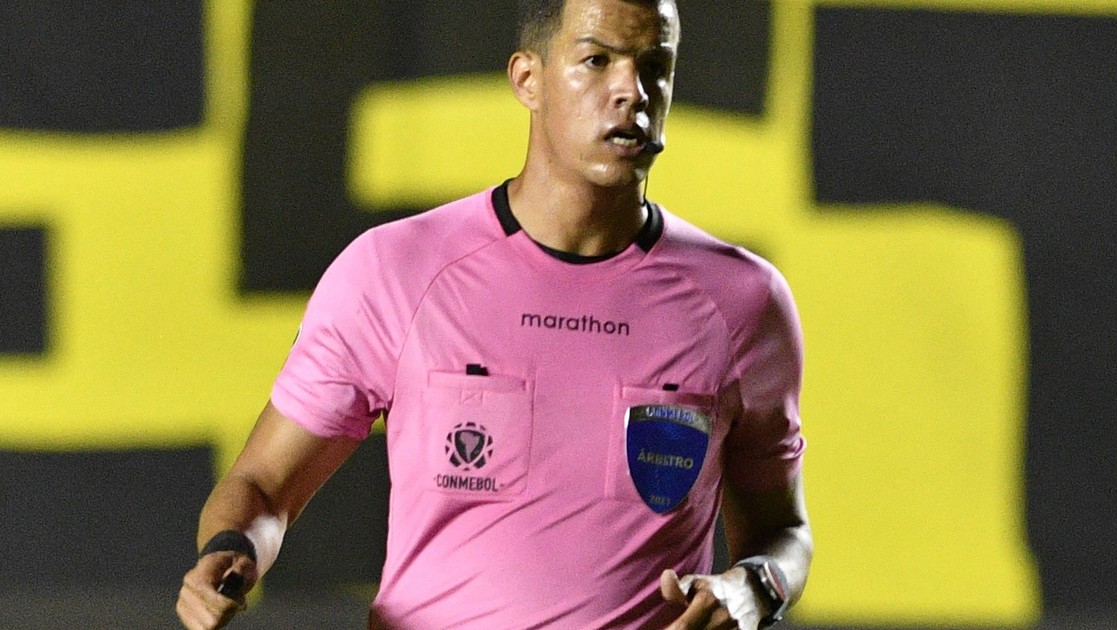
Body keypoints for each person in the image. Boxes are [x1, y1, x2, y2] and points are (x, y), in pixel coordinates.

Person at [175, 0, 813, 627]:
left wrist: (759, 586)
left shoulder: (743, 301)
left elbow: (782, 530)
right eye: (597, 60)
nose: (632, 91)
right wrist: (228, 551)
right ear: (528, 79)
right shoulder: (394, 271)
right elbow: (265, 483)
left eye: (654, 66)